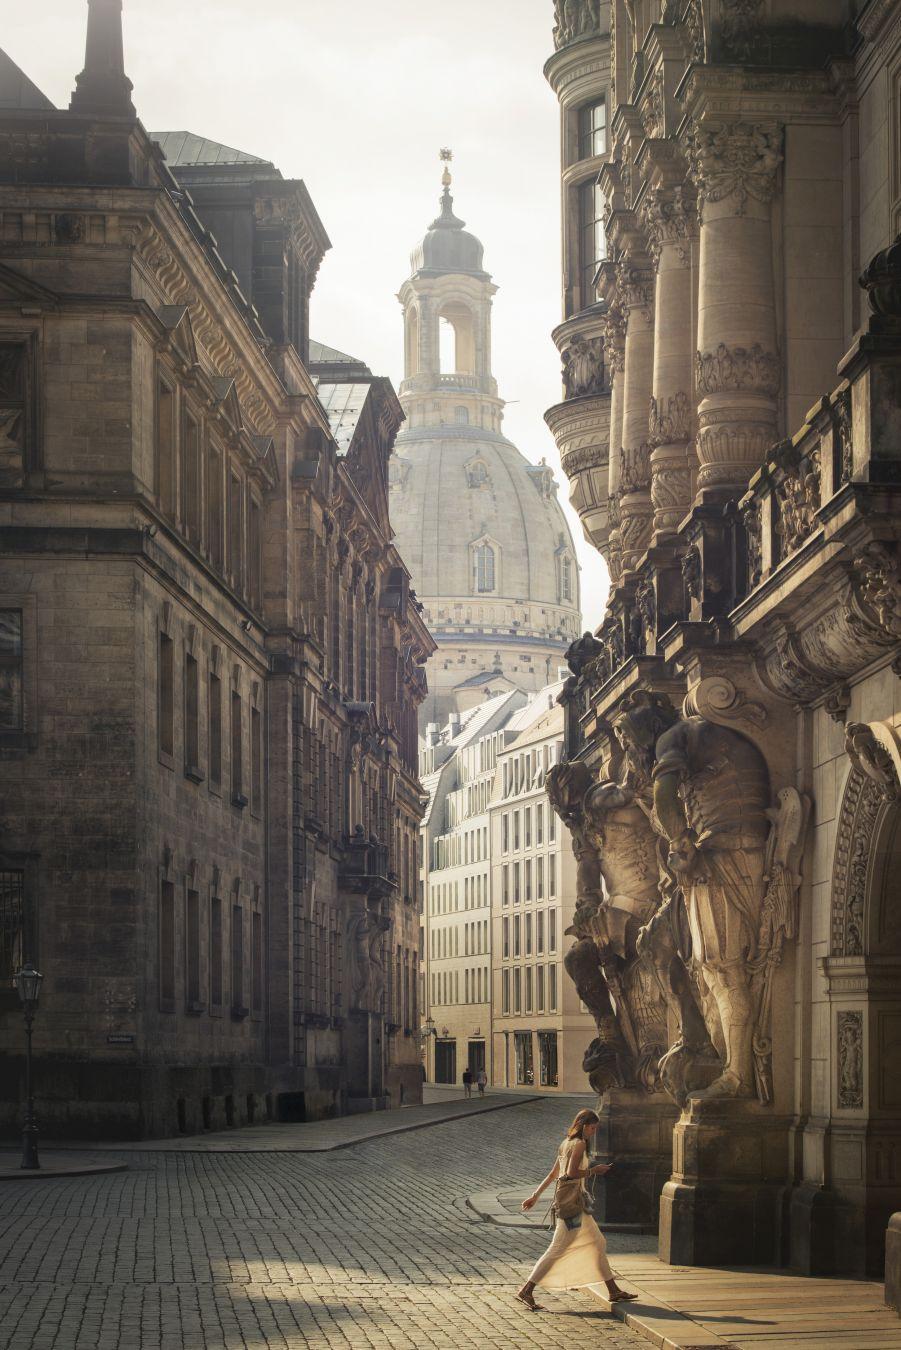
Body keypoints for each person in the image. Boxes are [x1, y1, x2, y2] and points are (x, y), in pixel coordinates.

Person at [516, 1107, 637, 1312]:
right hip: (571, 1205)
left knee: (598, 1242)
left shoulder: (566, 1143)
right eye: (592, 1127)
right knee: (557, 1248)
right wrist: (594, 1170)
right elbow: (571, 1173)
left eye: (596, 1128)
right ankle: (526, 1290)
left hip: (575, 1204)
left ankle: (613, 1290)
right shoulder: (579, 1144)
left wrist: (535, 1196)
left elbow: (554, 1174)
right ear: (583, 1126)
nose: (594, 1132)